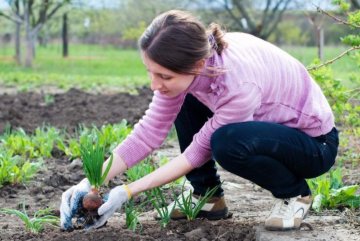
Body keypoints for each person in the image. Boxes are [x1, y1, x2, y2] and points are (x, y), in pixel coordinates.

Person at [60, 10, 339, 231]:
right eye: (150, 72)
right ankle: (208, 197)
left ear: (196, 66)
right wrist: (90, 182)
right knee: (186, 96)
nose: (154, 84)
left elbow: (197, 152)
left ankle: (294, 194)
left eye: (164, 76)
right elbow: (148, 133)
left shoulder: (238, 83)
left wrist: (127, 191)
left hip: (313, 144)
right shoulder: (194, 65)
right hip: (268, 130)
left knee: (227, 143)